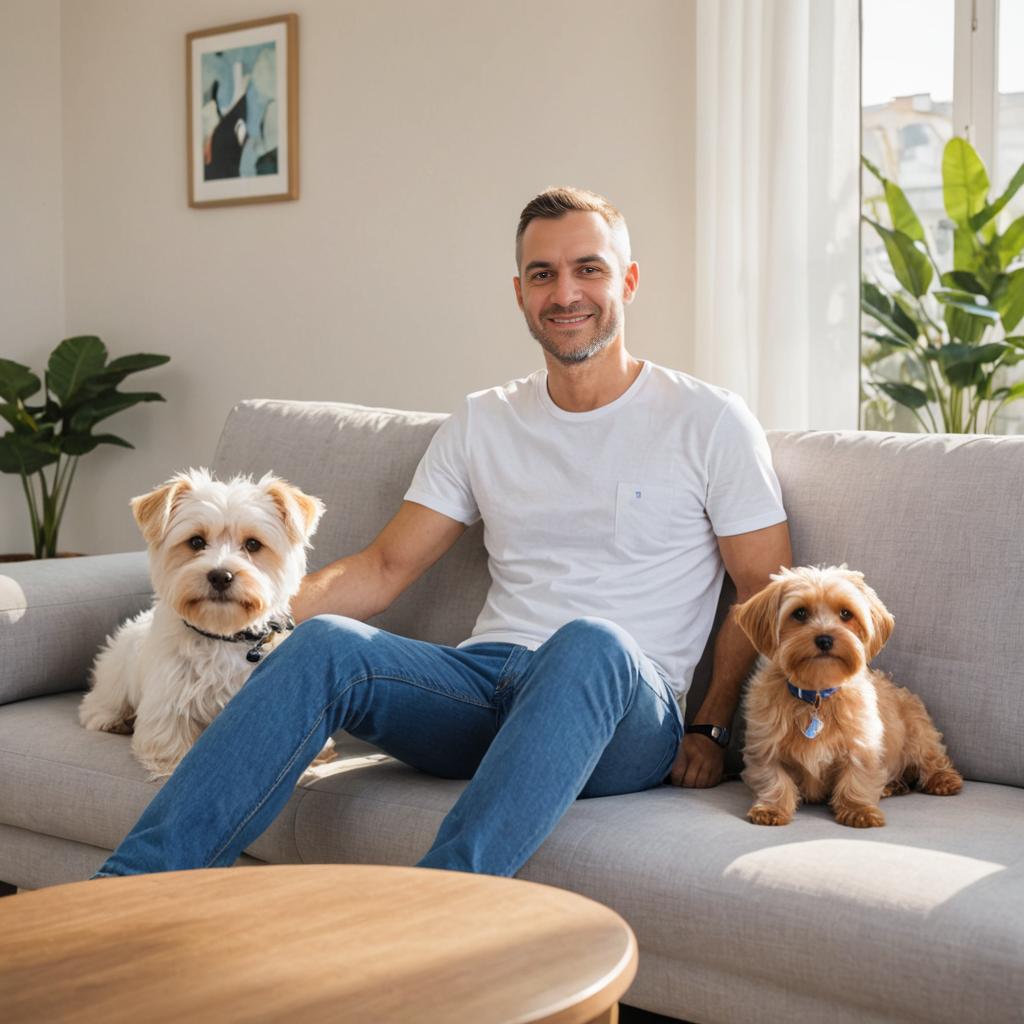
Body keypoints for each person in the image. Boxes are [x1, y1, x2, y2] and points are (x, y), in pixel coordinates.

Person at [95, 187, 791, 879]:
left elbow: (762, 587)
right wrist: (239, 621)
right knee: (329, 643)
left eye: (590, 268)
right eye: (543, 274)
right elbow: (384, 567)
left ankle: (435, 914)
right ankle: (121, 897)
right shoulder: (485, 420)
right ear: (520, 293)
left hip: (618, 709)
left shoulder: (709, 420)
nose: (566, 292)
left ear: (628, 281)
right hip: (482, 687)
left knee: (591, 640)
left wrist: (710, 724)